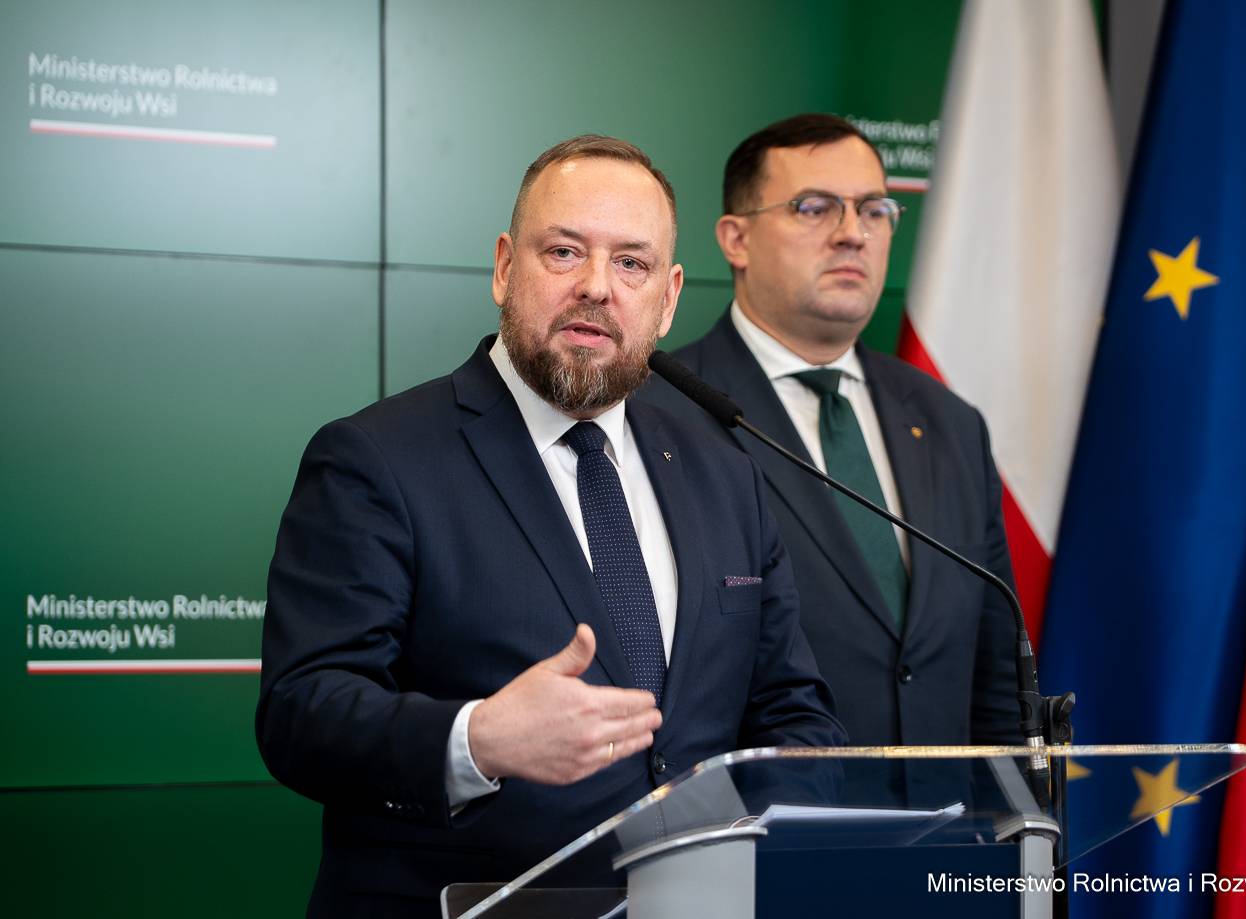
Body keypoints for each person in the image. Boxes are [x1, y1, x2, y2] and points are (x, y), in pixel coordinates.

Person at [256, 134, 845, 917]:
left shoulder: (724, 470)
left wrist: (768, 829)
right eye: (564, 252)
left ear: (668, 297)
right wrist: (478, 738)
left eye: (631, 263)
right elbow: (302, 711)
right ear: (506, 267)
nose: (597, 286)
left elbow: (793, 710)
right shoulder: (377, 458)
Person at [647, 114, 1020, 782]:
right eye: (814, 207)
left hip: (951, 835)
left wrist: (1014, 827)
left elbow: (995, 681)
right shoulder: (658, 415)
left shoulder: (950, 423)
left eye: (874, 209)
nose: (853, 233)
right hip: (765, 832)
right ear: (736, 239)